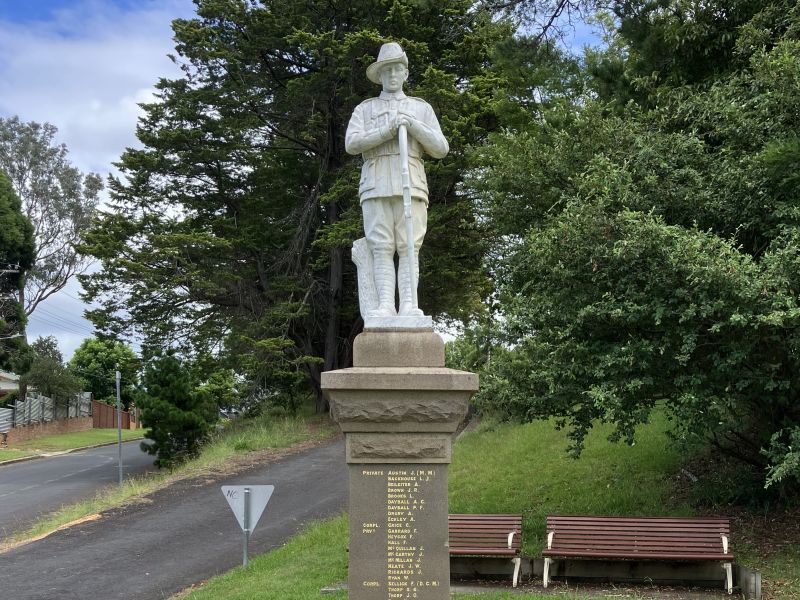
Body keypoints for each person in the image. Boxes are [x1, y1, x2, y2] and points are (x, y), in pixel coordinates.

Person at [345, 42, 449, 318]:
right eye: (387, 70)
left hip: (411, 183)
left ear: (405, 74)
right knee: (381, 247)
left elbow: (440, 148)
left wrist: (413, 125)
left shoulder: (420, 108)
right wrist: (386, 130)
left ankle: (408, 306)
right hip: (376, 183)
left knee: (409, 247)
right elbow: (352, 143)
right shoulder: (365, 110)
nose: (392, 75)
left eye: (397, 69)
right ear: (379, 75)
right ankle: (384, 307)